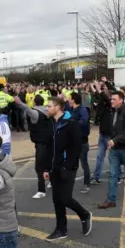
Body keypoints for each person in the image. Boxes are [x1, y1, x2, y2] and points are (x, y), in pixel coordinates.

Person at [43, 97, 93, 240]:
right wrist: (46, 168)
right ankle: (61, 229)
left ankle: (85, 214)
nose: (47, 108)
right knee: (56, 200)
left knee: (65, 198)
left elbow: (76, 148)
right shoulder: (51, 123)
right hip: (53, 167)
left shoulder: (71, 124)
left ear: (58, 107)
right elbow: (48, 148)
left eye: (49, 106)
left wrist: (68, 166)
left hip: (67, 167)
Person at [15, 94, 51, 199]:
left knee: (39, 167)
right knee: (49, 164)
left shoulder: (36, 113)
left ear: (35, 102)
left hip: (41, 143)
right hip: (49, 141)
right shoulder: (48, 110)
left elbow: (26, 108)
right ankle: (52, 182)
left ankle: (41, 190)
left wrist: (18, 102)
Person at [69, 92, 91, 193]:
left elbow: (84, 121)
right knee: (73, 162)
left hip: (82, 141)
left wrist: (72, 123)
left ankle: (87, 183)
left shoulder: (82, 110)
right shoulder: (72, 109)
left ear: (73, 100)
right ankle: (69, 181)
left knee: (84, 163)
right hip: (73, 141)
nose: (68, 100)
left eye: (69, 98)